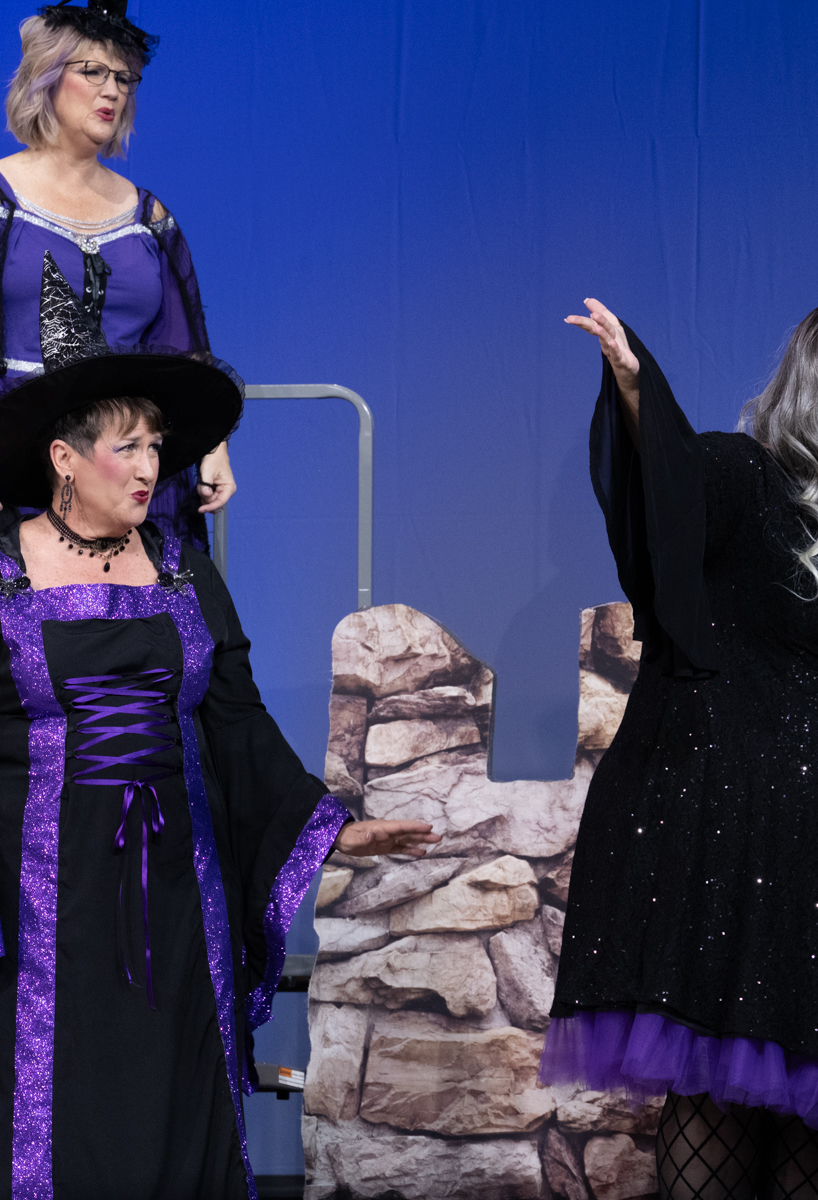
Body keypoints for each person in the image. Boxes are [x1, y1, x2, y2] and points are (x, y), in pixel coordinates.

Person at [542, 234, 818, 1200]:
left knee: (813, 1137)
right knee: (718, 1117)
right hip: (741, 874)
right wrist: (637, 393)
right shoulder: (747, 483)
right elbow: (665, 494)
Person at [0, 251, 437, 1197]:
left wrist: (331, 828)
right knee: (63, 1110)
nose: (151, 469)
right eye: (128, 449)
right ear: (64, 458)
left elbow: (236, 719)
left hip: (178, 892)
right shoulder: (3, 572)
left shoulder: (183, 568)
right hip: (50, 902)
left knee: (182, 1101)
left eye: (158, 448)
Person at [0, 0, 234, 552]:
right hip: (15, 456)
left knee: (134, 603)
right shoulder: (3, 199)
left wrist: (212, 446)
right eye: (93, 72)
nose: (113, 91)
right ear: (46, 76)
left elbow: (181, 348)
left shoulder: (147, 216)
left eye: (125, 79)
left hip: (120, 465)